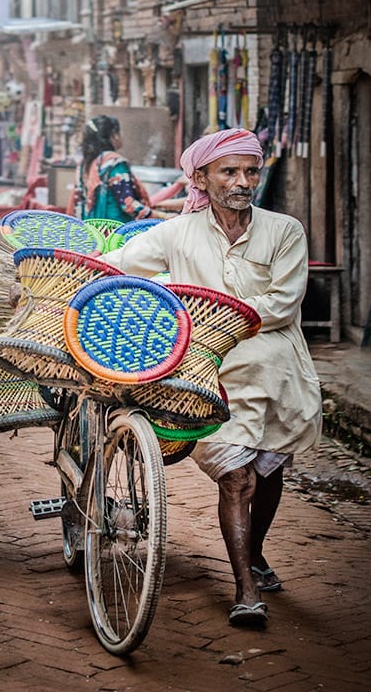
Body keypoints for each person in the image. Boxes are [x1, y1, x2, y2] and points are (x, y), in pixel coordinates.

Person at [103, 127, 322, 628]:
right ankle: (245, 588)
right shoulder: (178, 234)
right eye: (229, 171)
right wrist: (40, 278)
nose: (242, 182)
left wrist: (207, 314)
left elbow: (284, 304)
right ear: (202, 177)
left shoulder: (285, 230)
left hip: (277, 377)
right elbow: (115, 264)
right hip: (210, 376)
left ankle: (256, 553)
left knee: (267, 474)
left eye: (250, 171)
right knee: (237, 477)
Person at [68, 115, 167, 223]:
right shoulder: (114, 163)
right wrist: (163, 216)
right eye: (120, 132)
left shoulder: (84, 164)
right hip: (115, 231)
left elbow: (77, 202)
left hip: (92, 230)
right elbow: (128, 204)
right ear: (113, 136)